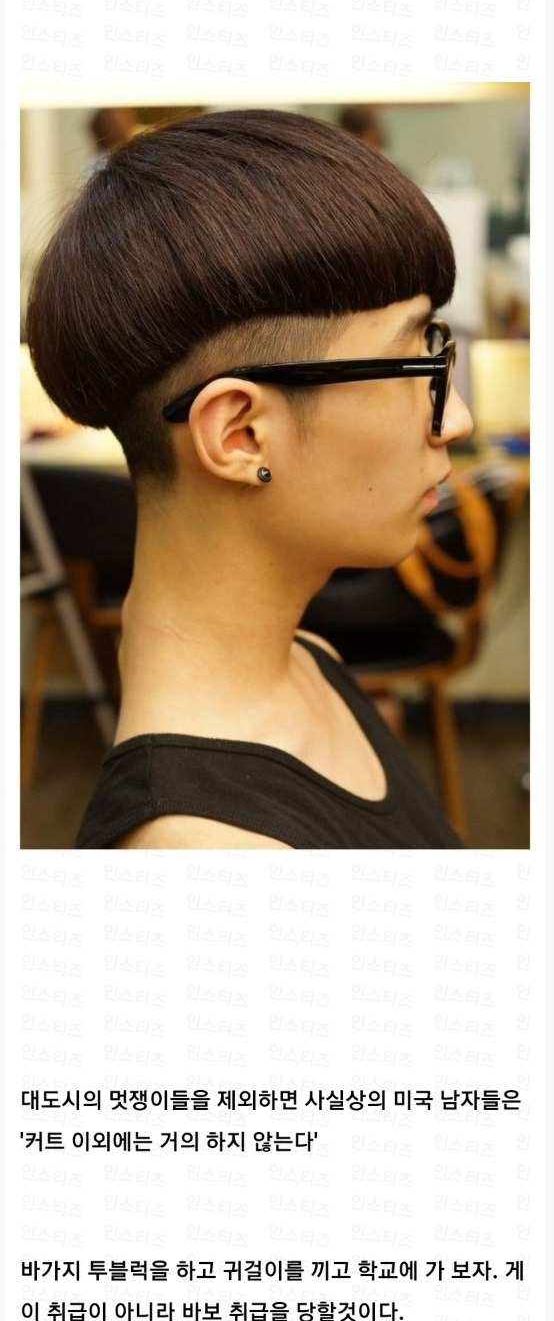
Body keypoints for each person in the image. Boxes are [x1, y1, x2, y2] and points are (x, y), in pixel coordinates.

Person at [26, 108, 473, 853]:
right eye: (416, 361)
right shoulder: (202, 848)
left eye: (438, 346)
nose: (454, 418)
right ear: (240, 435)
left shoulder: (313, 663)